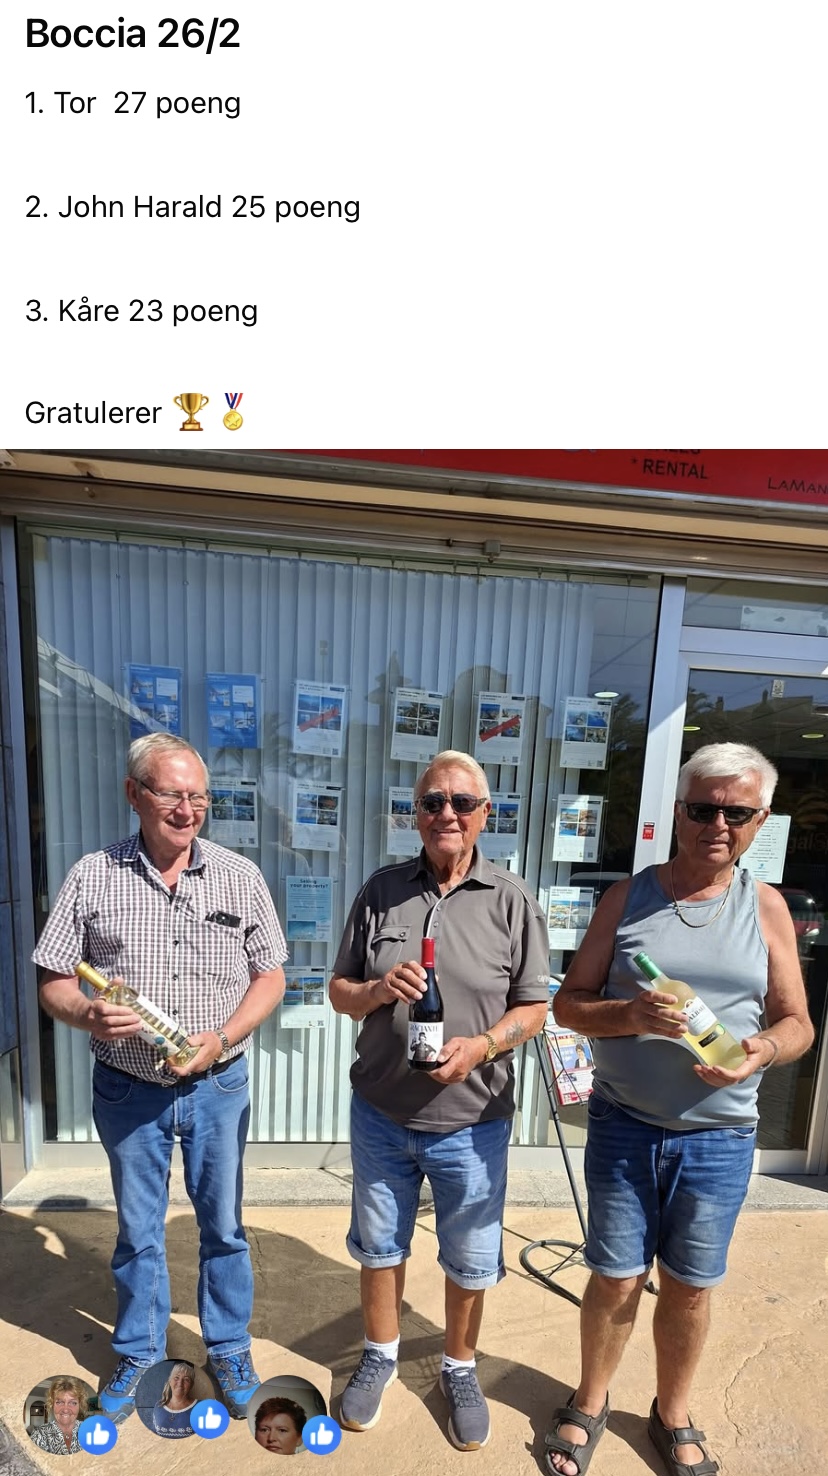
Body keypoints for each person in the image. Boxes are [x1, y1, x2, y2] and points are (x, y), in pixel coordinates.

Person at [545, 743, 814, 1476]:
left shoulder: (766, 907)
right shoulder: (626, 899)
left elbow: (798, 1023)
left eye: (738, 813)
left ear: (760, 821)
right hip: (625, 1125)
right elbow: (568, 1005)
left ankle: (673, 1412)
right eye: (703, 809)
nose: (718, 825)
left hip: (719, 1136)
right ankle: (591, 1400)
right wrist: (629, 1016)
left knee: (692, 1287)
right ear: (678, 814)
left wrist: (762, 1049)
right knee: (615, 1276)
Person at [34, 733, 288, 1424]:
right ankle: (141, 1351)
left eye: (199, 797)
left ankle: (228, 1347)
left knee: (224, 1226)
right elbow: (53, 980)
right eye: (173, 794)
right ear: (134, 794)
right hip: (128, 1088)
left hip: (218, 1085)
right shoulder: (92, 875)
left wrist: (222, 1037)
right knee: (138, 1230)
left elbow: (270, 977)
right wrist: (87, 1013)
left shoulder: (239, 876)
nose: (187, 810)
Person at [329, 750, 549, 1451]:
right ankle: (380, 1355)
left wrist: (481, 1047)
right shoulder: (381, 891)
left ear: (486, 813)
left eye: (461, 802)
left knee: (471, 1257)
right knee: (378, 1246)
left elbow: (535, 1008)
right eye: (432, 802)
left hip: (473, 1121)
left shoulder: (511, 899)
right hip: (382, 1113)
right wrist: (374, 991)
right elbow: (339, 991)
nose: (445, 814)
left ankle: (459, 1366)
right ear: (415, 814)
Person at [28, 1377, 88, 1454]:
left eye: (73, 1403)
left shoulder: (89, 1430)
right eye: (59, 1402)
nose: (65, 1410)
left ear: (80, 1405)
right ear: (52, 1404)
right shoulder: (39, 1434)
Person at [152, 1362, 197, 1438]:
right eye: (176, 1378)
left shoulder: (201, 1406)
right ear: (170, 1381)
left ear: (191, 1385)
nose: (180, 1383)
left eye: (186, 1379)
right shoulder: (159, 1406)